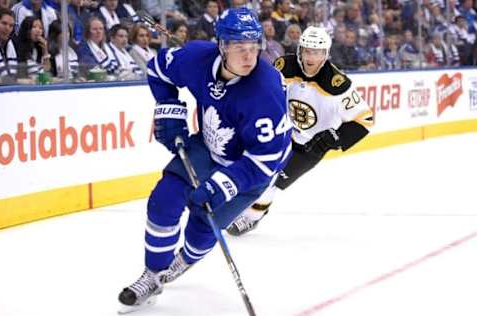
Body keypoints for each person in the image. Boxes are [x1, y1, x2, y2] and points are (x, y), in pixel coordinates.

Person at [117, 7, 292, 313]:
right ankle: (153, 275)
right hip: (208, 147)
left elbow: (268, 158)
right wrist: (169, 109)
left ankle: (184, 260)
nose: (249, 57)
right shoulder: (196, 58)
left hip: (252, 169)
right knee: (164, 199)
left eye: (254, 48)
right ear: (222, 46)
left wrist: (222, 185)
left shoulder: (266, 90)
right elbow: (157, 70)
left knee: (202, 223)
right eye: (240, 48)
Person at [227, 26, 374, 236]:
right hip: (281, 134)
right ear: (300, 50)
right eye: (306, 50)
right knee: (252, 167)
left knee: (274, 180)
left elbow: (365, 119)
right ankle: (237, 204)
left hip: (310, 147)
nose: (310, 57)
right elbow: (262, 85)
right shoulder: (284, 65)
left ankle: (252, 217)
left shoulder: (338, 84)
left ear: (326, 54)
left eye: (316, 52)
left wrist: (333, 138)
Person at [0, 8, 17, 84]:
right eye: (4, 23)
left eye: (11, 25)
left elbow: (11, 76)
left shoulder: (10, 43)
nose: (7, 28)